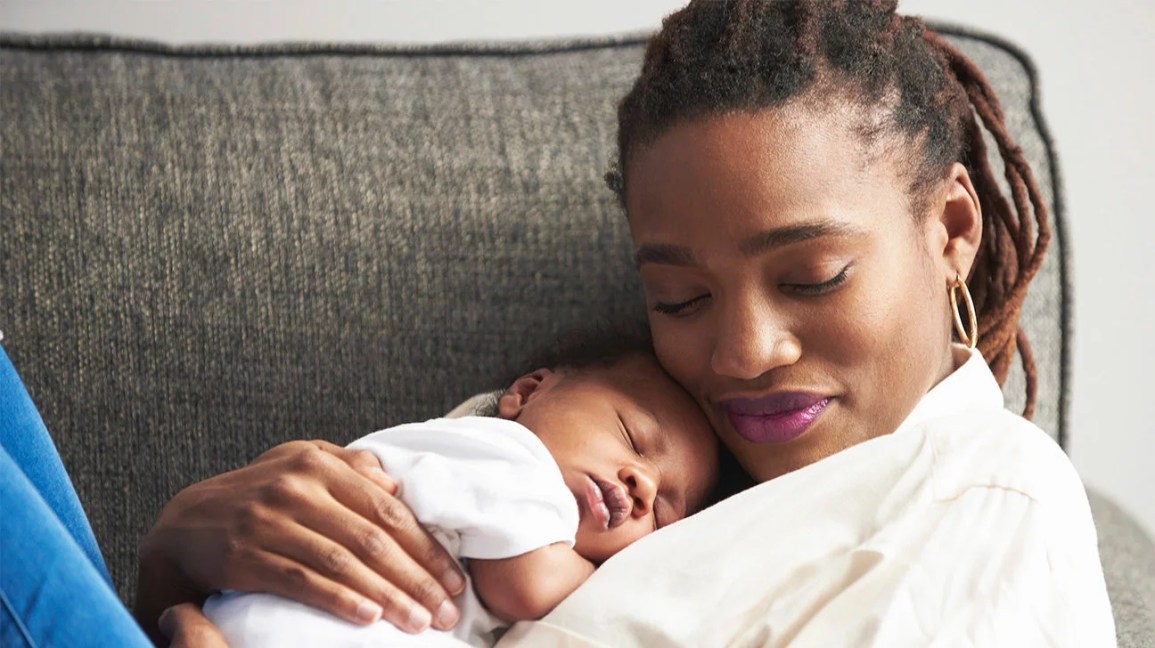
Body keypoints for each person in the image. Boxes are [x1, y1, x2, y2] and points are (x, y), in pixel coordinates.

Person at [38, 0, 1110, 644]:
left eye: (816, 274)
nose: (738, 354)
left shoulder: (981, 508)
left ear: (953, 229)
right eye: (678, 298)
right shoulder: (624, 423)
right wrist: (182, 552)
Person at [200, 330, 719, 647]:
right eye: (632, 435)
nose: (643, 482)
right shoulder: (509, 452)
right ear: (528, 392)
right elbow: (525, 585)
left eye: (663, 517)